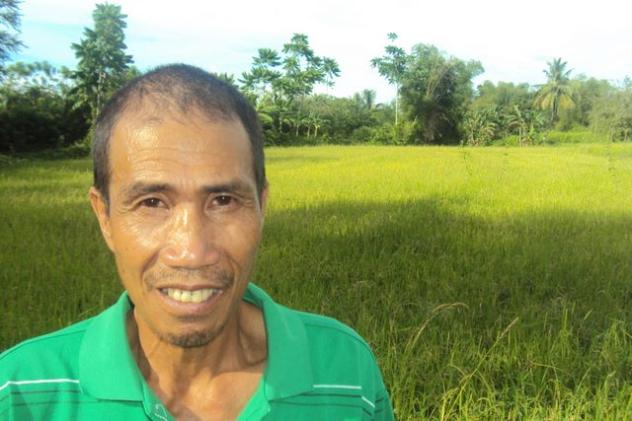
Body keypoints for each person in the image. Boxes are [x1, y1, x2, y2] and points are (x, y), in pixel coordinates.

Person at [0, 64, 394, 420]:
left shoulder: (346, 370)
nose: (191, 252)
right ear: (104, 216)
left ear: (261, 207)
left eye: (223, 200)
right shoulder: (19, 393)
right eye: (151, 202)